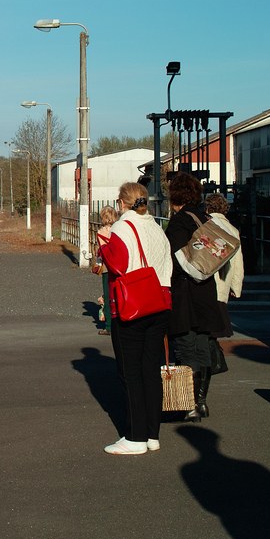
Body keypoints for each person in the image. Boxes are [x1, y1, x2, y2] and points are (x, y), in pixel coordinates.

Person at [97, 182, 173, 455]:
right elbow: (167, 264)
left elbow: (118, 265)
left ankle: (135, 437)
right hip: (160, 304)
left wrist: (103, 248)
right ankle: (152, 434)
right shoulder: (156, 227)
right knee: (151, 371)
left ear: (121, 203)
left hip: (132, 306)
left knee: (130, 373)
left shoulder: (121, 227)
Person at [166, 173, 224, 422]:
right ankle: (201, 402)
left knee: (187, 347)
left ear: (174, 196)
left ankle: (189, 404)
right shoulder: (204, 219)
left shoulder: (179, 222)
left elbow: (176, 259)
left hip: (185, 292)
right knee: (202, 346)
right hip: (206, 291)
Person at [204, 192, 244, 383]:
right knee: (215, 329)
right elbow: (238, 263)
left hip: (206, 284)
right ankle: (212, 363)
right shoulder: (233, 230)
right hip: (222, 286)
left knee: (205, 332)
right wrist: (236, 286)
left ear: (208, 208)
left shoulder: (206, 227)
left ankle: (208, 365)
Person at [93, 205, 119, 335]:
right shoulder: (119, 230)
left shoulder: (101, 232)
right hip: (119, 266)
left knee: (108, 296)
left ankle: (109, 326)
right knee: (119, 294)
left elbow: (101, 251)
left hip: (107, 267)